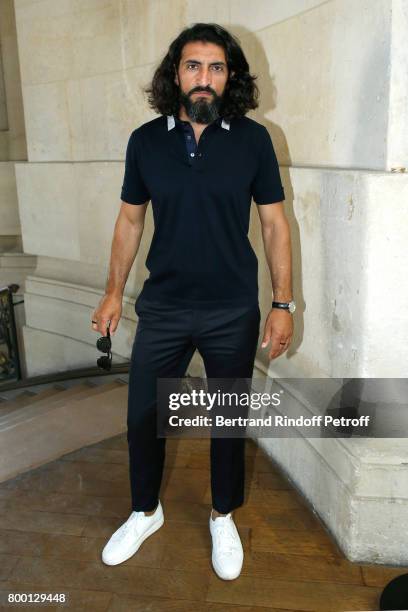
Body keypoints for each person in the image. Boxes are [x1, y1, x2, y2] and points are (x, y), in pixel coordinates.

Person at [91, 22, 295, 581]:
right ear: (174, 74)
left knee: (228, 420)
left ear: (231, 77)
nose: (204, 78)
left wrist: (284, 303)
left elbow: (275, 223)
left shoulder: (254, 140)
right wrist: (113, 292)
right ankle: (144, 511)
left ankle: (222, 514)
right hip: (164, 307)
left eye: (216, 67)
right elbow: (130, 220)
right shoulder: (145, 141)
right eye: (193, 66)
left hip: (233, 308)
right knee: (143, 417)